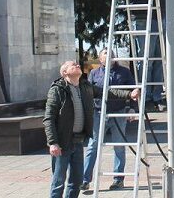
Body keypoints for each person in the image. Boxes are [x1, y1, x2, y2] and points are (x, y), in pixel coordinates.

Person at [43, 60, 138, 198]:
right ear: (65, 72)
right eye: (73, 65)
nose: (77, 65)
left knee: (76, 181)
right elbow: (49, 118)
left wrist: (129, 95)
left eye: (77, 64)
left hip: (78, 141)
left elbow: (107, 92)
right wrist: (53, 142)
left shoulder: (85, 87)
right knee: (58, 181)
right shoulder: (57, 90)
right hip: (62, 143)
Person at [82, 49, 135, 192]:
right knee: (93, 145)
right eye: (105, 54)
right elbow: (88, 93)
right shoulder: (94, 73)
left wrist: (132, 108)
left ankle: (118, 179)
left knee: (119, 146)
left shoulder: (124, 72)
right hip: (98, 113)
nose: (109, 56)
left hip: (118, 112)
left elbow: (133, 90)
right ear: (100, 59)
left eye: (111, 53)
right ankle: (85, 180)